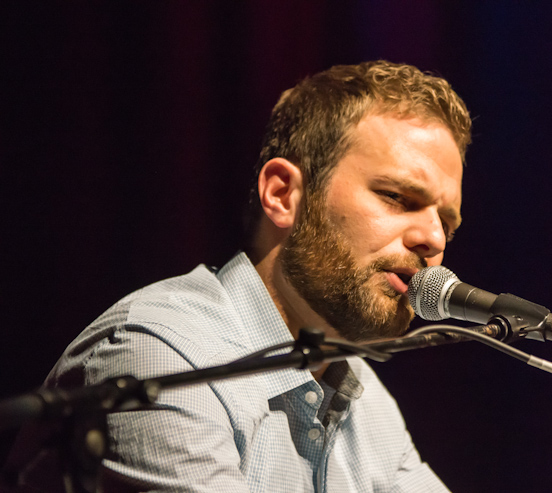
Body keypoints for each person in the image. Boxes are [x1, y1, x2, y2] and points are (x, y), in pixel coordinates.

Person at [5, 60, 472, 492]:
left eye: (447, 224)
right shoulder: (162, 356)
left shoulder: (366, 400)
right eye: (396, 197)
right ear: (283, 194)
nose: (434, 238)